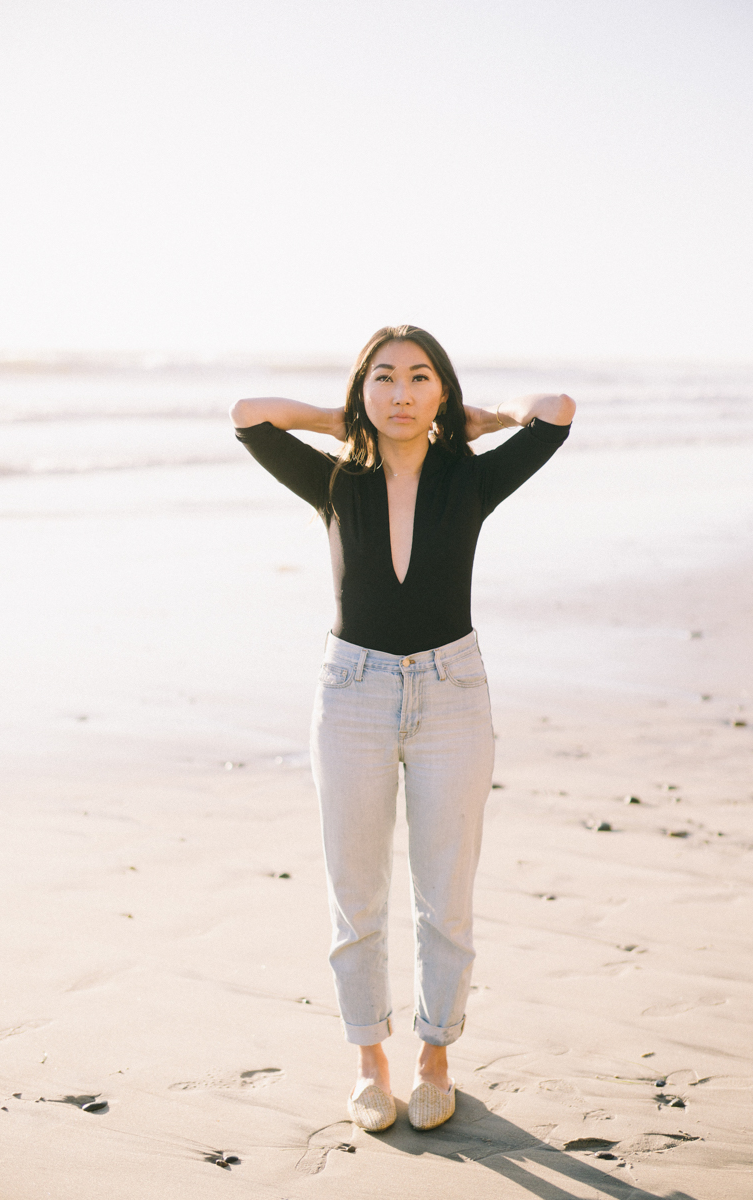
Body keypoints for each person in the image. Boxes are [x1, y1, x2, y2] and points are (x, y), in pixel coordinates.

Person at [230, 325, 575, 1133]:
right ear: (365, 394)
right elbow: (248, 415)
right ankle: (368, 1063)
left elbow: (555, 411)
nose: (400, 394)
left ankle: (434, 1057)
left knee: (444, 896)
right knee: (356, 896)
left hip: (453, 693)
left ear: (440, 394)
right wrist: (336, 418)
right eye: (383, 380)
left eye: (419, 379)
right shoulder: (334, 482)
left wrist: (485, 418)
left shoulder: (470, 480)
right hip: (352, 693)